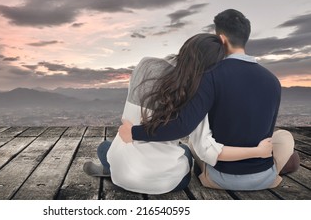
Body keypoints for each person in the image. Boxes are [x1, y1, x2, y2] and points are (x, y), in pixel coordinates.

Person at [119, 9, 300, 191]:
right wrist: (258, 151)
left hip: (220, 176)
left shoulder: (208, 76)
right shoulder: (273, 80)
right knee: (283, 137)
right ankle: (282, 165)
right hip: (264, 176)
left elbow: (184, 126)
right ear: (246, 37)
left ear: (221, 40)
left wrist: (134, 133)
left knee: (193, 144)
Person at [84, 33, 274, 194]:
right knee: (185, 152)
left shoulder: (145, 65)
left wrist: (134, 133)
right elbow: (190, 136)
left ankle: (112, 168)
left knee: (107, 147)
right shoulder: (197, 90)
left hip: (122, 174)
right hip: (163, 183)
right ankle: (128, 168)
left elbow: (130, 115)